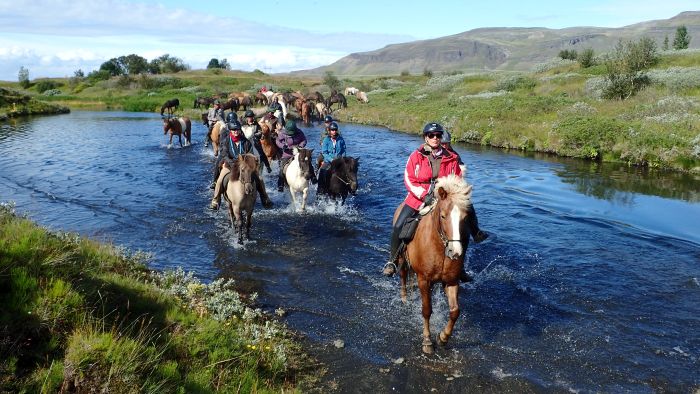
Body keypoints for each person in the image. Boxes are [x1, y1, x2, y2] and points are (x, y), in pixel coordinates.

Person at [382, 122, 488, 281]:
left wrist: (454, 194)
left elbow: (457, 179)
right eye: (431, 135)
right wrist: (423, 194)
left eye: (438, 135)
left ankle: (472, 241)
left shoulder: (451, 157)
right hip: (418, 197)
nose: (435, 138)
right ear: (426, 137)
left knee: (463, 221)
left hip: (444, 197)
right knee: (399, 225)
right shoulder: (416, 156)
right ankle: (393, 261)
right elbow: (408, 178)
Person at [209, 120, 273, 210]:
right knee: (220, 179)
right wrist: (232, 164)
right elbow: (224, 154)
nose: (236, 131)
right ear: (230, 130)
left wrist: (251, 161)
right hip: (229, 165)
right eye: (234, 130)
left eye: (237, 130)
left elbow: (250, 154)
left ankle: (265, 198)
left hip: (244, 166)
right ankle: (215, 200)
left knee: (260, 178)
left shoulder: (246, 142)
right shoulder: (226, 141)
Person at [275, 120, 316, 192]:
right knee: (282, 168)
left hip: (299, 153)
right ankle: (280, 185)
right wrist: (282, 146)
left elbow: (304, 140)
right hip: (287, 154)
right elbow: (277, 141)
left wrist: (300, 145)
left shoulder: (299, 132)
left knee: (307, 163)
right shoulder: (282, 133)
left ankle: (313, 178)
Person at [318, 122, 346, 194]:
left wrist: (342, 158)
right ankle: (320, 189)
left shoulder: (341, 139)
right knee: (322, 171)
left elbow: (343, 150)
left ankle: (349, 188)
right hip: (329, 161)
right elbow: (324, 153)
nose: (334, 132)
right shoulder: (326, 140)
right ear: (329, 131)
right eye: (332, 130)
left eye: (335, 130)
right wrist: (332, 159)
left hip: (339, 160)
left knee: (349, 171)